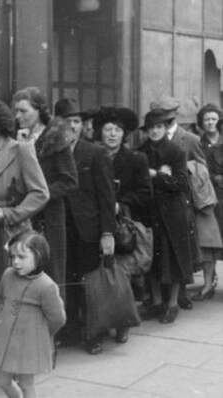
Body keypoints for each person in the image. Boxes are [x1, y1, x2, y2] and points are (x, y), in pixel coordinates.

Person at [0, 99, 49, 375]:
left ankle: (14, 358)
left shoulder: (21, 150)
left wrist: (10, 213)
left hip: (13, 233)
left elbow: (40, 192)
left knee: (13, 296)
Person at [57, 98, 116, 354]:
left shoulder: (94, 153)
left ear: (83, 126)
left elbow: (107, 196)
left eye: (77, 122)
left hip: (89, 230)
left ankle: (94, 334)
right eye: (68, 121)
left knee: (90, 283)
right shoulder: (52, 152)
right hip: (61, 229)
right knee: (67, 281)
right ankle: (71, 329)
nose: (73, 127)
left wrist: (107, 233)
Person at [0, 232, 66, 398]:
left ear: (39, 257)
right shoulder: (8, 275)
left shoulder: (46, 286)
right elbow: (1, 298)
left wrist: (42, 334)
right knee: (1, 380)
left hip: (29, 343)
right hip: (6, 340)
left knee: (26, 384)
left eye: (22, 257)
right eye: (12, 257)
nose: (16, 262)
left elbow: (57, 318)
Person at [12, 89, 78, 300]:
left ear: (39, 110)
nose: (18, 116)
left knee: (50, 274)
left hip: (49, 217)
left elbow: (70, 181)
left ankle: (52, 330)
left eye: (23, 111)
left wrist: (40, 195)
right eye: (16, 111)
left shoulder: (55, 138)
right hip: (24, 216)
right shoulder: (19, 138)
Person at [93, 106, 151, 343]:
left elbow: (146, 193)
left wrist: (120, 204)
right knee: (99, 273)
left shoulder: (136, 159)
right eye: (108, 129)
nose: (113, 134)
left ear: (124, 133)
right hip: (97, 223)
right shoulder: (92, 156)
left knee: (121, 274)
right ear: (101, 132)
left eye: (117, 130)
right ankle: (102, 320)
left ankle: (123, 323)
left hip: (123, 226)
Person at [137, 109, 194, 324]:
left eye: (158, 127)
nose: (154, 131)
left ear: (165, 128)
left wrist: (155, 175)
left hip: (173, 212)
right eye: (150, 128)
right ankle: (158, 301)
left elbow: (181, 184)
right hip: (150, 210)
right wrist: (161, 175)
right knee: (153, 257)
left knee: (174, 256)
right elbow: (137, 182)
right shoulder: (140, 151)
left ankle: (172, 303)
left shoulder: (176, 151)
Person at [150, 96, 205, 310]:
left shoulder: (189, 139)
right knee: (162, 252)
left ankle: (180, 295)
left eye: (167, 113)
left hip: (181, 200)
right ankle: (162, 299)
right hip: (158, 203)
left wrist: (181, 169)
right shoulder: (149, 137)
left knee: (180, 250)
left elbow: (201, 168)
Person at [193, 104, 223, 300]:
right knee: (209, 242)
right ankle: (208, 282)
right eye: (207, 120)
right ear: (201, 123)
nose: (210, 123)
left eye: (213, 119)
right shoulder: (198, 144)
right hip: (209, 199)